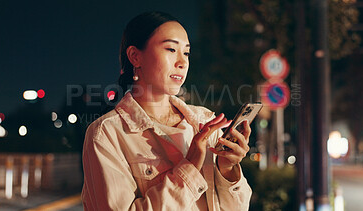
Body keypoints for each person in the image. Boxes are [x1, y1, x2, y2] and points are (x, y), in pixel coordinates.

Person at [81, 11, 252, 210]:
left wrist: (227, 169)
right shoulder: (107, 134)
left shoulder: (204, 121)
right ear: (135, 56)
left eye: (186, 52)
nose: (183, 62)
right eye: (171, 49)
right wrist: (190, 166)